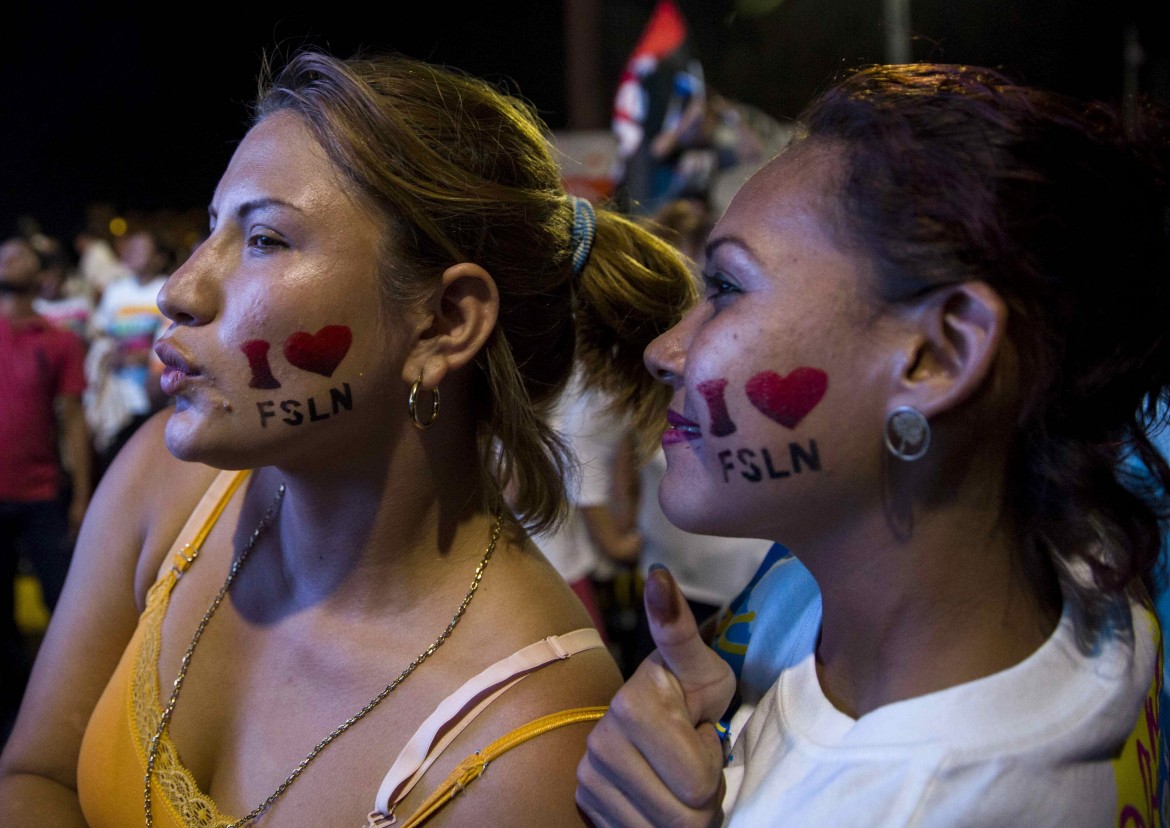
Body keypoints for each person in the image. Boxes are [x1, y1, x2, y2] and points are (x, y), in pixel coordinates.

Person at [0, 47, 695, 826]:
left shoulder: (531, 742)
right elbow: (38, 774)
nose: (181, 289)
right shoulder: (166, 487)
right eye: (213, 228)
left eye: (265, 239)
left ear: (443, 322)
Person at [575, 62, 1170, 826]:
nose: (666, 348)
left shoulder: (922, 804)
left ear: (939, 353)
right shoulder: (1076, 549)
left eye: (726, 287)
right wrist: (714, 713)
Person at [0, 236, 92, 748]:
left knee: (66, 605)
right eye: (5, 252)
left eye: (20, 255)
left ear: (43, 274)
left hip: (40, 496)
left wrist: (81, 495)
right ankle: (13, 719)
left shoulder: (59, 341)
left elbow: (73, 421)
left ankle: (65, 715)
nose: (9, 257)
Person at [85, 227, 172, 480]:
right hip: (117, 399)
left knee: (148, 472)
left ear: (158, 258)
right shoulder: (116, 291)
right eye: (130, 248)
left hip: (151, 399)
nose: (131, 254)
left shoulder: (166, 290)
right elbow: (99, 332)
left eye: (140, 249)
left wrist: (138, 356)